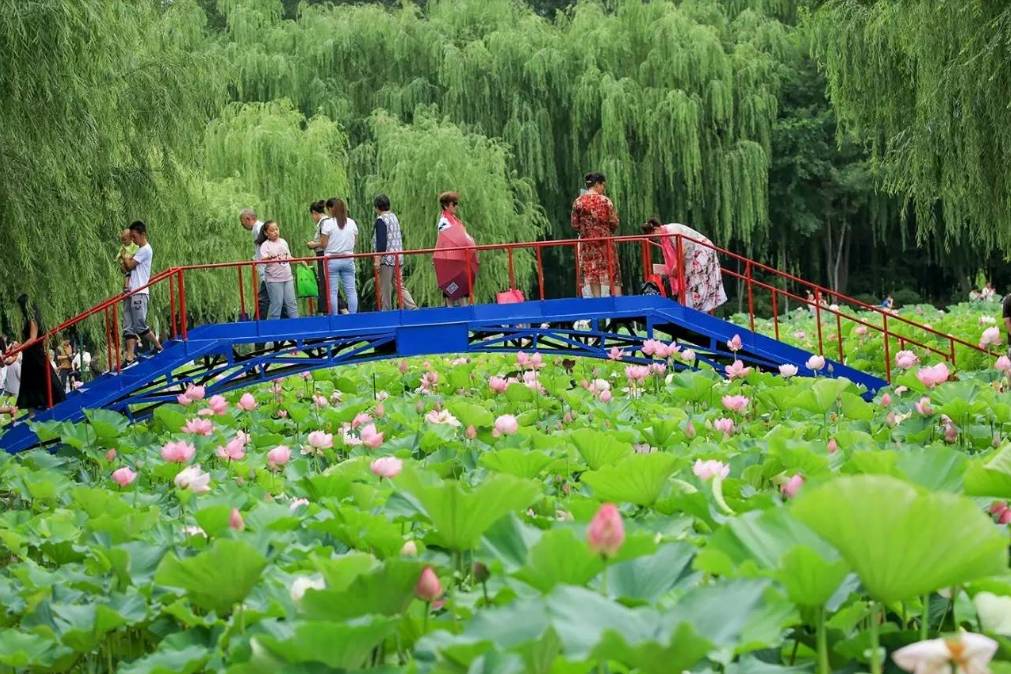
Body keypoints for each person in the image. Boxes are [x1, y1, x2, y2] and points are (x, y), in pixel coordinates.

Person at [642, 218, 727, 314]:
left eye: (652, 236)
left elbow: (681, 250)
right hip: (692, 254)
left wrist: (676, 267)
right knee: (691, 282)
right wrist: (674, 268)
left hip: (700, 250)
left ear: (656, 229)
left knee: (697, 282)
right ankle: (694, 310)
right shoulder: (666, 237)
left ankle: (699, 311)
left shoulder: (671, 231)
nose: (653, 239)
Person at [570, 172, 622, 297]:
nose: (603, 189)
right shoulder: (605, 201)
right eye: (602, 185)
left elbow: (574, 224)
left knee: (593, 275)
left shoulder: (578, 202)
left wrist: (586, 230)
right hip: (606, 244)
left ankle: (598, 304)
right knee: (613, 273)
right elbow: (614, 222)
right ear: (597, 184)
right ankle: (619, 303)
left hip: (588, 246)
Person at [9, 295, 64, 411]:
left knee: (41, 378)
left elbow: (33, 339)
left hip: (35, 355)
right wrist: (20, 345)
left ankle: (51, 403)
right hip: (30, 354)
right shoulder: (30, 319)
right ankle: (37, 406)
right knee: (32, 382)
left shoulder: (32, 319)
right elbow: (29, 339)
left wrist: (18, 349)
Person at [119, 220, 163, 366]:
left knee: (139, 324)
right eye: (131, 237)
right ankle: (130, 358)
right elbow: (125, 269)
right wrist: (126, 260)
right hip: (130, 292)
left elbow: (129, 265)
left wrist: (125, 257)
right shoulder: (137, 250)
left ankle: (158, 346)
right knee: (128, 326)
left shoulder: (146, 250)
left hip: (139, 292)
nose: (132, 240)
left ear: (143, 234)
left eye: (134, 236)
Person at [308, 198, 358, 315]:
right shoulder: (351, 222)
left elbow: (324, 244)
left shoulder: (328, 224)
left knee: (332, 291)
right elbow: (354, 242)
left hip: (332, 261)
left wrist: (313, 245)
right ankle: (353, 317)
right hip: (348, 259)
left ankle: (334, 317)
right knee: (351, 290)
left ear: (331, 209)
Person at [240, 208, 289, 320]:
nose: (242, 224)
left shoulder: (259, 229)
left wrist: (263, 261)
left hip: (269, 271)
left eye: (242, 222)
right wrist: (255, 258)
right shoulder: (258, 229)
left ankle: (256, 325)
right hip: (269, 270)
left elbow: (269, 248)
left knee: (264, 299)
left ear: (247, 219)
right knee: (275, 298)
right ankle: (286, 324)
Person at [373, 194, 417, 310]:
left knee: (385, 287)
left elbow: (381, 243)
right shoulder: (394, 217)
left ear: (377, 207)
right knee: (399, 285)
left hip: (387, 259)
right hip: (398, 257)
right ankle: (413, 308)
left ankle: (386, 310)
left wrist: (377, 260)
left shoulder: (381, 220)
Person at [436, 191, 478, 307]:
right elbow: (448, 239)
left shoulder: (455, 220)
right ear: (446, 206)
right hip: (449, 262)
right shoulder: (444, 222)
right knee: (450, 293)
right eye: (453, 204)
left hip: (459, 262)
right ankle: (452, 320)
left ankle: (466, 319)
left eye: (456, 203)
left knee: (462, 294)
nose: (456, 206)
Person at [257, 220, 299, 320]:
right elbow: (263, 260)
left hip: (287, 277)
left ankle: (298, 331)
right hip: (274, 279)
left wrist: (299, 261)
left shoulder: (283, 242)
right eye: (272, 230)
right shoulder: (265, 245)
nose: (275, 232)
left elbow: (288, 257)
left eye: (277, 229)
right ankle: (272, 332)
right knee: (277, 305)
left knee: (292, 303)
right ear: (266, 233)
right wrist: (269, 257)